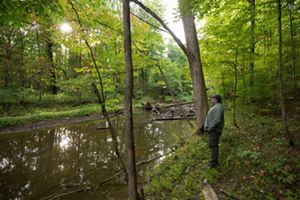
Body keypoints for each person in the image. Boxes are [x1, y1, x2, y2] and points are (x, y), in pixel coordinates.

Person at [204, 94, 224, 168]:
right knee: (213, 145)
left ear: (216, 99)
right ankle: (215, 161)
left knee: (213, 146)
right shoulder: (215, 106)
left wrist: (210, 128)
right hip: (213, 130)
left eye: (212, 98)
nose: (211, 100)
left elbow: (217, 119)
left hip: (214, 130)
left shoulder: (218, 107)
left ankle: (213, 163)